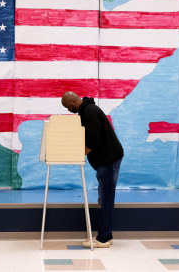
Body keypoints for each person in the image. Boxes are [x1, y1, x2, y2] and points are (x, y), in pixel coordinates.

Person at [61, 91, 124, 248]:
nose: (69, 111)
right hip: (107, 159)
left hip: (108, 160)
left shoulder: (89, 112)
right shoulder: (87, 110)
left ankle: (104, 238)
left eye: (68, 108)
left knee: (106, 200)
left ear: (71, 104)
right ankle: (104, 235)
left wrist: (76, 154)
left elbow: (93, 141)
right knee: (104, 199)